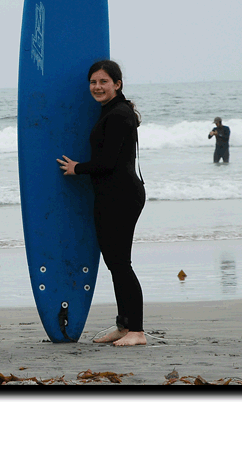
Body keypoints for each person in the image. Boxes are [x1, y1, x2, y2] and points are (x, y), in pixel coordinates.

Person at [57, 60, 147, 347]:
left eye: (103, 82)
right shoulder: (111, 111)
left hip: (121, 196)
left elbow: (108, 162)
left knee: (121, 264)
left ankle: (137, 331)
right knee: (115, 263)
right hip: (111, 195)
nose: (97, 87)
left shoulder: (119, 115)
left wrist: (77, 168)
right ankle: (124, 325)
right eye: (93, 82)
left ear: (117, 84)